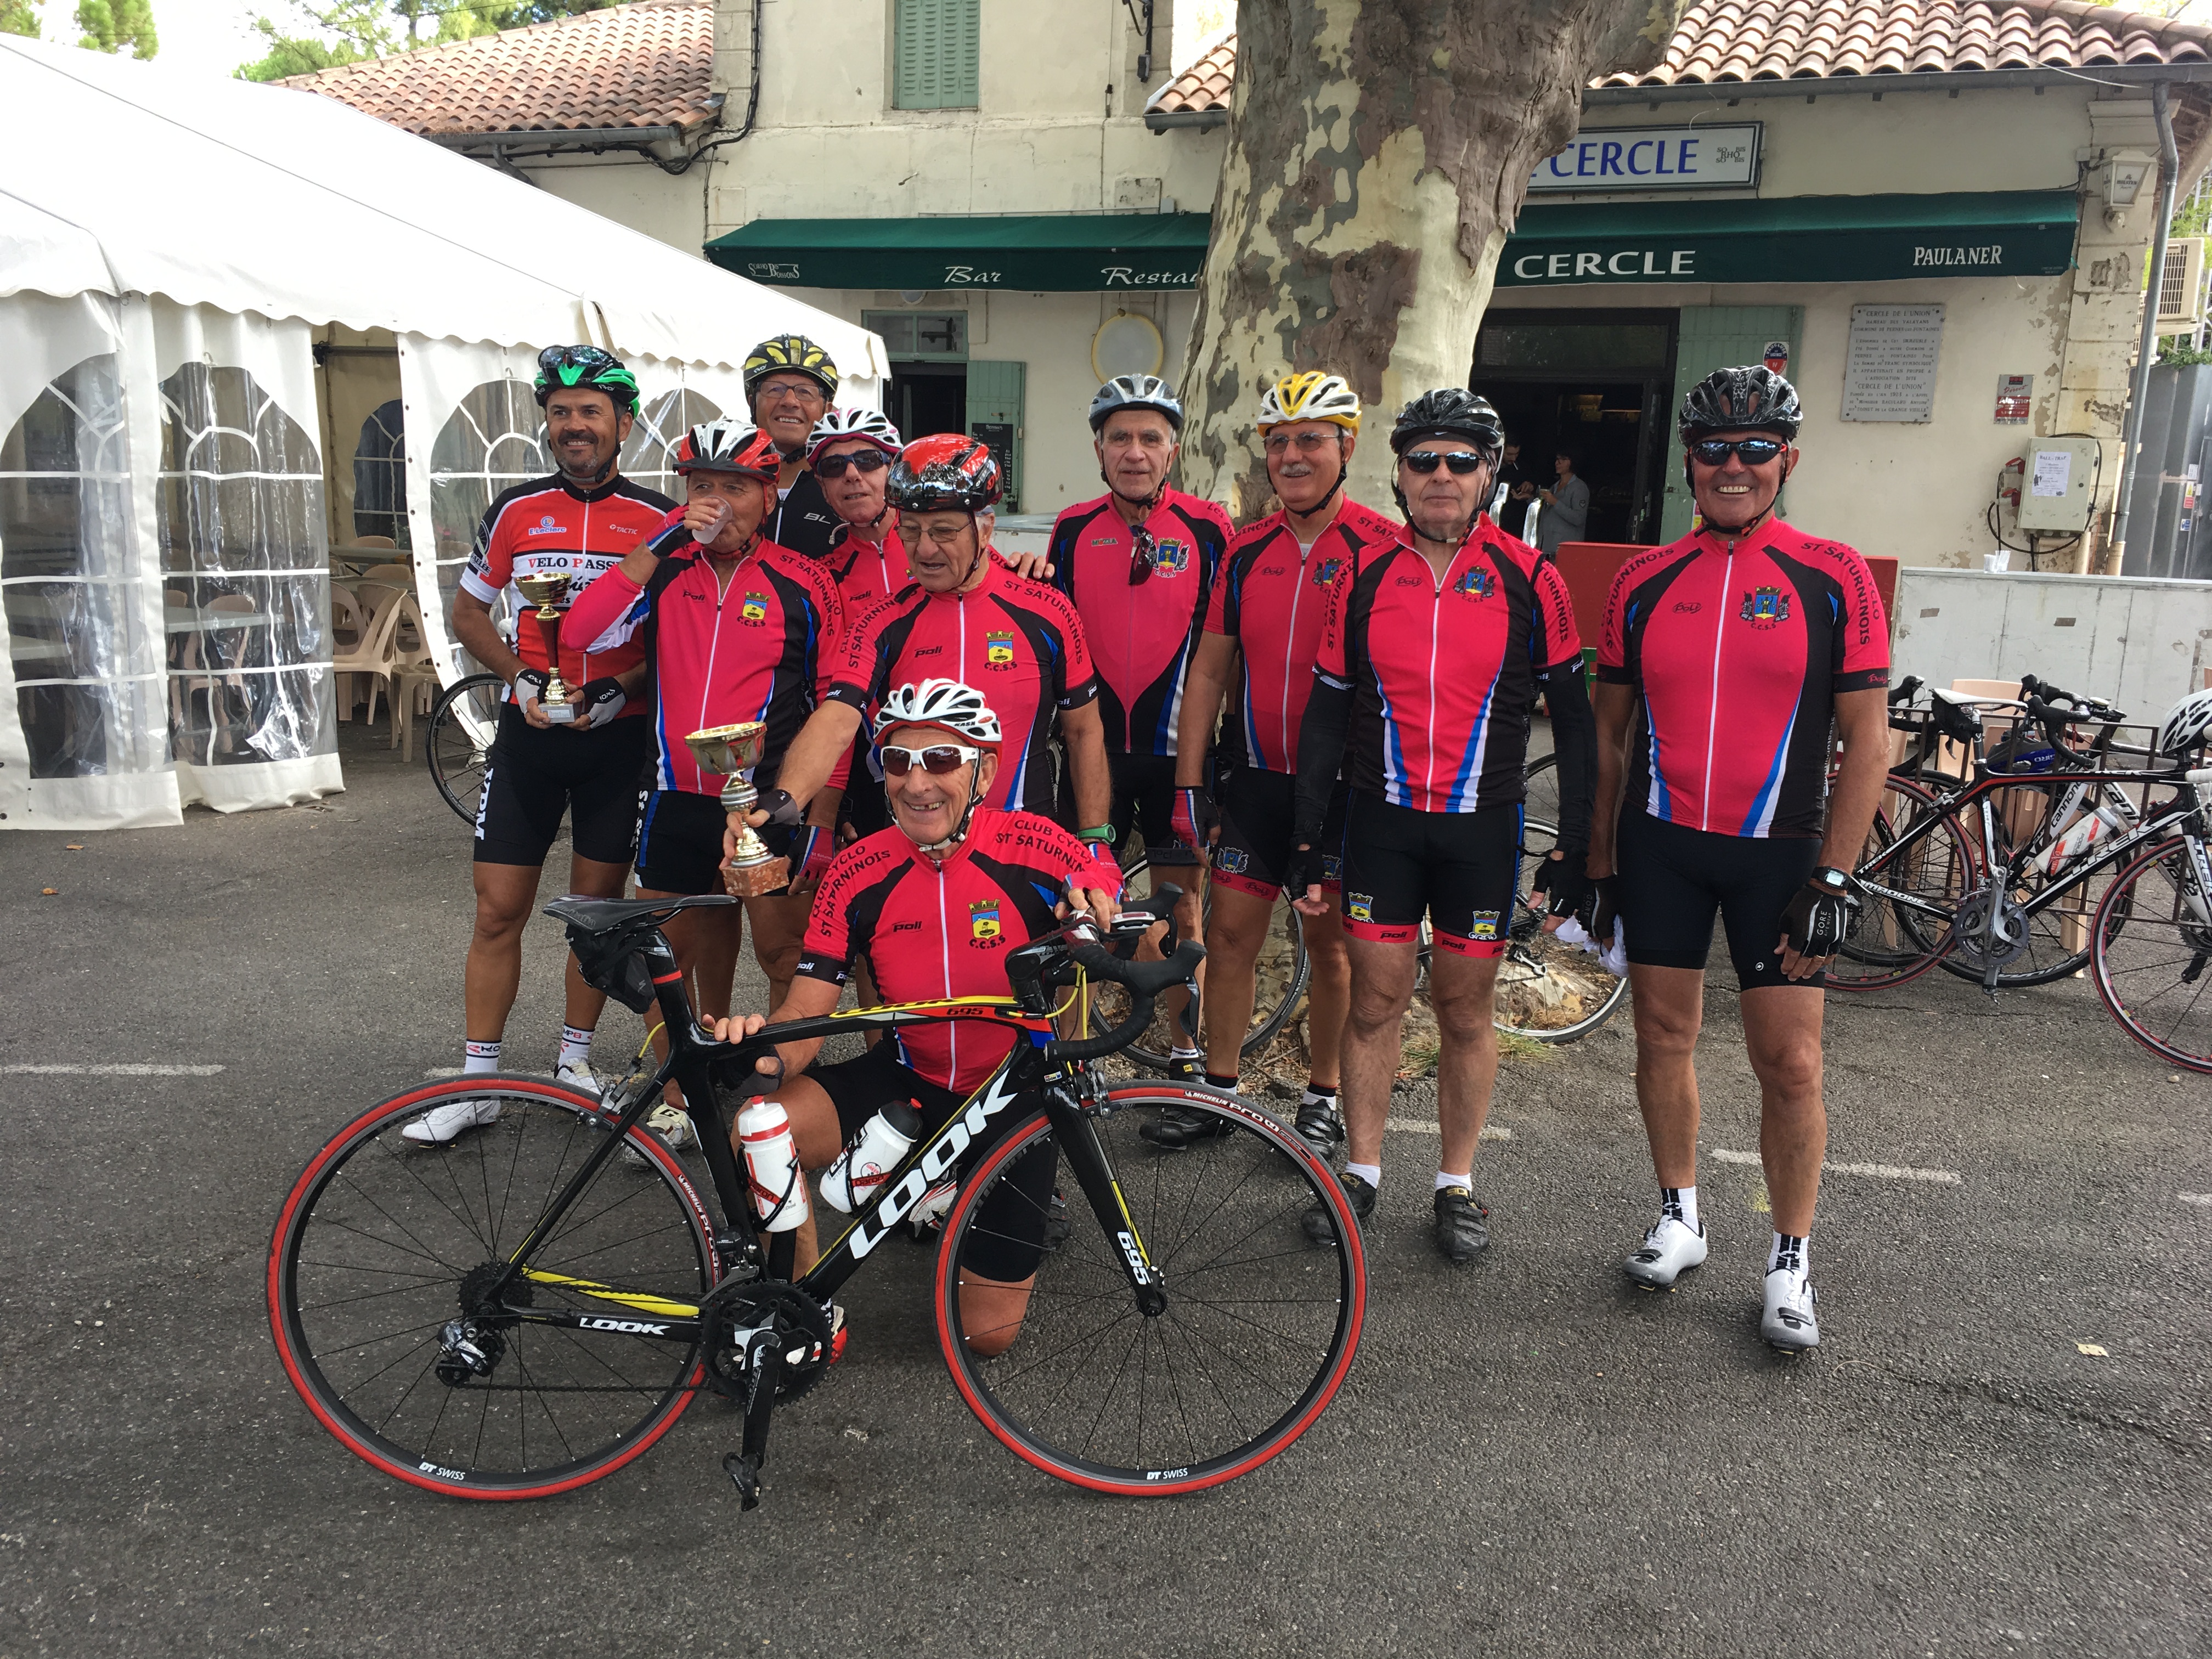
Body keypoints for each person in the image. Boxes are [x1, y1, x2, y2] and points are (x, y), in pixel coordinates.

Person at [1584, 365, 1889, 1352]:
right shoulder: (1642, 580)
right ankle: (1680, 1215)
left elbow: (1869, 740)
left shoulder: (1832, 575)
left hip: (1781, 854)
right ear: (1688, 462)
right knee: (1661, 1035)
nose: (1733, 465)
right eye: (1714, 449)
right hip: (1663, 844)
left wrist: (1836, 876)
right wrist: (1597, 860)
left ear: (1786, 460)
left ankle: (1790, 1259)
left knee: (1789, 1062)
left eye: (1756, 448)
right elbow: (1607, 736)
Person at [711, 680, 1121, 1352]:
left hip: (1011, 1101)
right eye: (899, 762)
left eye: (941, 760)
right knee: (759, 1130)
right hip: (910, 1080)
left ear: (984, 770)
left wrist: (1093, 894)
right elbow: (807, 1008)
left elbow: (1098, 876)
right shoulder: (857, 871)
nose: (917, 782)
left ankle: (943, 1188)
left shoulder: (1032, 845)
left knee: (986, 1337)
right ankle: (803, 1314)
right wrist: (762, 1050)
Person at [1286, 389, 1596, 1262]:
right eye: (1424, 459)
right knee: (1374, 1001)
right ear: (1399, 474)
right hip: (1382, 825)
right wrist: (1309, 839)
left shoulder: (1533, 577)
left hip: (1481, 833)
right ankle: (1361, 1172)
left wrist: (1577, 844)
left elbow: (1576, 723)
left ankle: (1456, 1183)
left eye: (1462, 461)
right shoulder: (1362, 573)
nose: (1442, 476)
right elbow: (1325, 715)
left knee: (1464, 1011)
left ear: (1490, 474)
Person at [417, 345, 670, 1145]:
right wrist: (519, 677)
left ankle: (573, 1063)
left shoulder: (660, 520)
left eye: (591, 411)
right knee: (497, 911)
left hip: (615, 742)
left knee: (595, 918)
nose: (574, 426)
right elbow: (468, 613)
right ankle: (479, 1083)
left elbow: (678, 639)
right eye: (560, 413)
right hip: (529, 736)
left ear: (624, 424)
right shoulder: (516, 509)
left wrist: (620, 687)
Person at [563, 417, 847, 1085]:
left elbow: (838, 709)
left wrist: (822, 821)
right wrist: (665, 536)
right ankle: (681, 1092)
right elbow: (579, 632)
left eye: (735, 488)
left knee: (783, 955)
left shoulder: (804, 582)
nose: (715, 503)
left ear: (768, 497)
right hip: (673, 797)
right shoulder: (664, 569)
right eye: (701, 487)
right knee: (670, 958)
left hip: (768, 805)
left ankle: (782, 1089)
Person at [1153, 370, 1386, 1153]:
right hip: (1256, 780)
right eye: (1278, 441)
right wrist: (1190, 784)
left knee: (1331, 949)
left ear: (1346, 448)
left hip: (1343, 790)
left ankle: (1323, 1099)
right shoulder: (1246, 550)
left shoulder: (1381, 547)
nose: (1291, 456)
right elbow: (1209, 671)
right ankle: (1219, 1093)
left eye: (1310, 439)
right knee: (1229, 940)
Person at [732, 433, 1113, 874]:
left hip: (1026, 852)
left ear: (986, 528)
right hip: (918, 854)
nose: (925, 549)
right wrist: (786, 799)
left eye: (944, 531)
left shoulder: (1048, 610)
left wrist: (1095, 840)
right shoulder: (881, 622)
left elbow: (1084, 733)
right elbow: (836, 720)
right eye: (910, 531)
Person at [1047, 375, 1232, 1077]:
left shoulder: (1209, 529)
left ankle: (1186, 1056)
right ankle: (1073, 1062)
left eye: (1150, 438)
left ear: (1172, 451)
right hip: (1092, 758)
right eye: (1119, 438)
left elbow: (1229, 650)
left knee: (1184, 915)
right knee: (1079, 911)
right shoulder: (1072, 529)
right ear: (1099, 449)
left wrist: (1223, 760)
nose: (1134, 452)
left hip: (1176, 762)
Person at [744, 334, 844, 560]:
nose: (790, 401)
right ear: (752, 403)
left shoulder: (844, 487)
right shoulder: (727, 482)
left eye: (805, 392)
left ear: (827, 410)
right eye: (774, 389)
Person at [1534, 447, 1588, 556]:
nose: (1557, 463)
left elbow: (1579, 519)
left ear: (1572, 462)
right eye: (1557, 459)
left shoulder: (1579, 488)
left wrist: (1555, 502)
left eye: (1563, 460)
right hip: (1546, 548)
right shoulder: (1554, 487)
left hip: (1566, 550)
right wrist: (1529, 498)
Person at [1491, 436, 1531, 540]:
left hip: (1514, 526)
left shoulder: (1520, 469)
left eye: (1516, 454)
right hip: (1491, 521)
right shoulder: (1490, 470)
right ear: (1500, 451)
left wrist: (1529, 487)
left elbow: (1531, 488)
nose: (1513, 458)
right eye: (1509, 454)